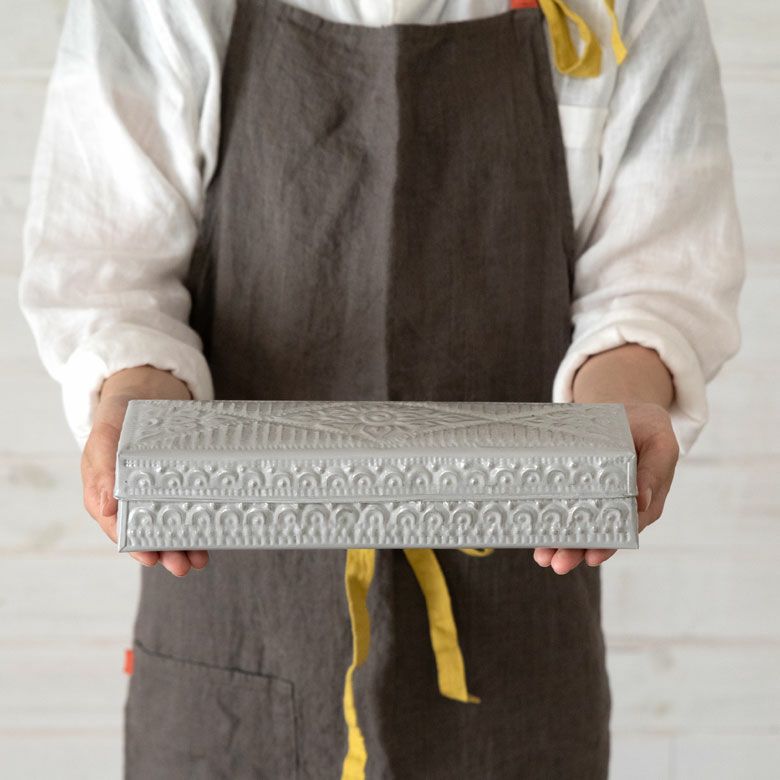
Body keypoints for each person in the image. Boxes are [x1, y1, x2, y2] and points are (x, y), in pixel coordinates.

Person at [18, 0, 744, 777]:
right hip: (238, 625)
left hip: (517, 613)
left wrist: (623, 403)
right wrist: (133, 401)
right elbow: (110, 272)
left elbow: (658, 278)